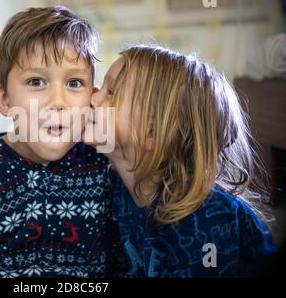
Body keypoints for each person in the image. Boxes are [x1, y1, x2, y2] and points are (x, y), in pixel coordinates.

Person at [0, 5, 128, 278]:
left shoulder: (103, 167)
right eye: (36, 81)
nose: (58, 102)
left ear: (93, 97)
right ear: (4, 99)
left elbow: (123, 263)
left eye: (74, 83)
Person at [85, 44, 277, 277]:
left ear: (153, 133)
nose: (93, 98)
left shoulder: (208, 218)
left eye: (111, 93)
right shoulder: (115, 188)